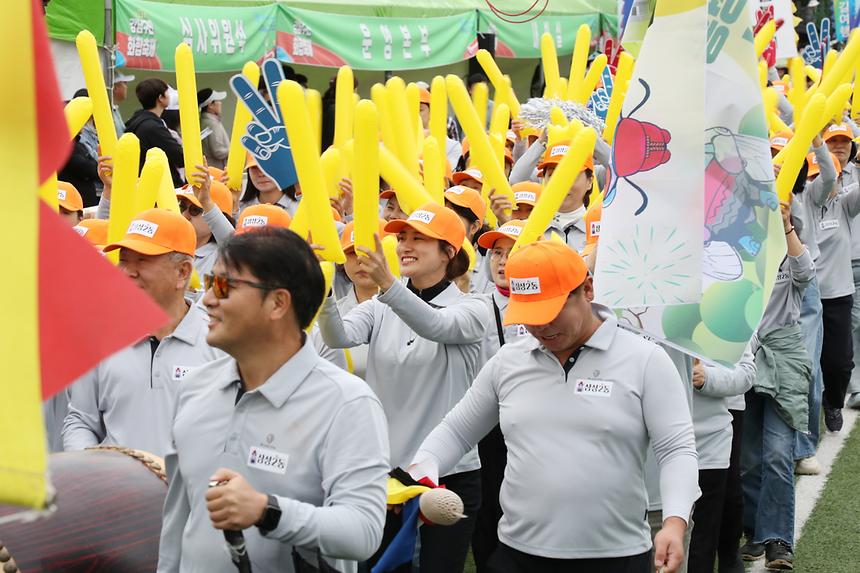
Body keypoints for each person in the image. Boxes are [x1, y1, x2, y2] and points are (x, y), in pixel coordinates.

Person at [410, 241, 698, 573]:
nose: (541, 328)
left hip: (616, 556)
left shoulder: (645, 359)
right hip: (518, 555)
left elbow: (676, 449)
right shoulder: (508, 361)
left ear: (587, 289)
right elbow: (457, 431)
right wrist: (423, 471)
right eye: (530, 317)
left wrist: (675, 522)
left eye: (550, 313)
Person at [157, 227, 389, 573]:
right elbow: (178, 522)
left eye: (222, 285)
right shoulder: (195, 389)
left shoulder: (347, 402)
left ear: (278, 303)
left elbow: (363, 531)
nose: (206, 300)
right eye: (208, 283)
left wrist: (266, 511)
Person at [318, 202, 487, 573]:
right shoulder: (380, 306)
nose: (405, 246)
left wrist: (388, 285)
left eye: (419, 239)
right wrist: (324, 290)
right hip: (387, 474)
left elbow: (435, 325)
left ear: (449, 252)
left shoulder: (474, 307)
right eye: (403, 237)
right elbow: (338, 336)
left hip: (449, 474)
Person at [62, 209, 222, 457]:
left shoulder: (219, 345)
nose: (128, 271)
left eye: (143, 260)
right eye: (124, 260)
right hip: (115, 482)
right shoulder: (100, 339)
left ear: (182, 272)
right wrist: (91, 471)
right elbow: (81, 421)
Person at [740, 202, 815, 571]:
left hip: (783, 358)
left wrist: (786, 227)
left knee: (777, 453)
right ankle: (756, 530)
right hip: (744, 358)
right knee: (748, 458)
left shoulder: (790, 252)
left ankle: (778, 539)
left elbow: (806, 272)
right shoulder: (740, 251)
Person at [470, 220, 530, 572]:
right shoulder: (476, 305)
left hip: (533, 424)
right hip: (489, 424)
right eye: (496, 253)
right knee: (488, 508)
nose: (503, 261)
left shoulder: (551, 307)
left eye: (512, 252)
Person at [806, 127, 856, 432]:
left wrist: (818, 143)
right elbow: (824, 177)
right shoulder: (805, 203)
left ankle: (834, 401)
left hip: (838, 295)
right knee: (809, 364)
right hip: (806, 297)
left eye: (829, 178)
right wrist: (816, 143)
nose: (822, 183)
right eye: (813, 177)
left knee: (839, 363)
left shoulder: (846, 204)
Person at [687, 351, 756, 573]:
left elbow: (746, 373)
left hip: (708, 443)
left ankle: (729, 552)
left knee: (701, 538)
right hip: (654, 448)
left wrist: (707, 377)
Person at [336, 219, 388, 380]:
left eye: (371, 251)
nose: (361, 259)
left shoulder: (415, 309)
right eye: (352, 252)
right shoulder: (332, 314)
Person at [177, 163, 236, 277]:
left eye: (195, 210)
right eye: (182, 207)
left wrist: (206, 202)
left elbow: (233, 244)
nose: (185, 215)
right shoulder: (170, 248)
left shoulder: (223, 256)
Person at [125, 78, 185, 186]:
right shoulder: (153, 127)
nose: (169, 96)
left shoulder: (137, 121)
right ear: (160, 98)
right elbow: (178, 156)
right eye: (167, 93)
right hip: (160, 183)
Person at [198, 88, 230, 169]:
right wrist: (237, 149)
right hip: (216, 170)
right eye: (218, 101)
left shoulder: (204, 121)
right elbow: (218, 152)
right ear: (210, 105)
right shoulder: (211, 124)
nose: (220, 103)